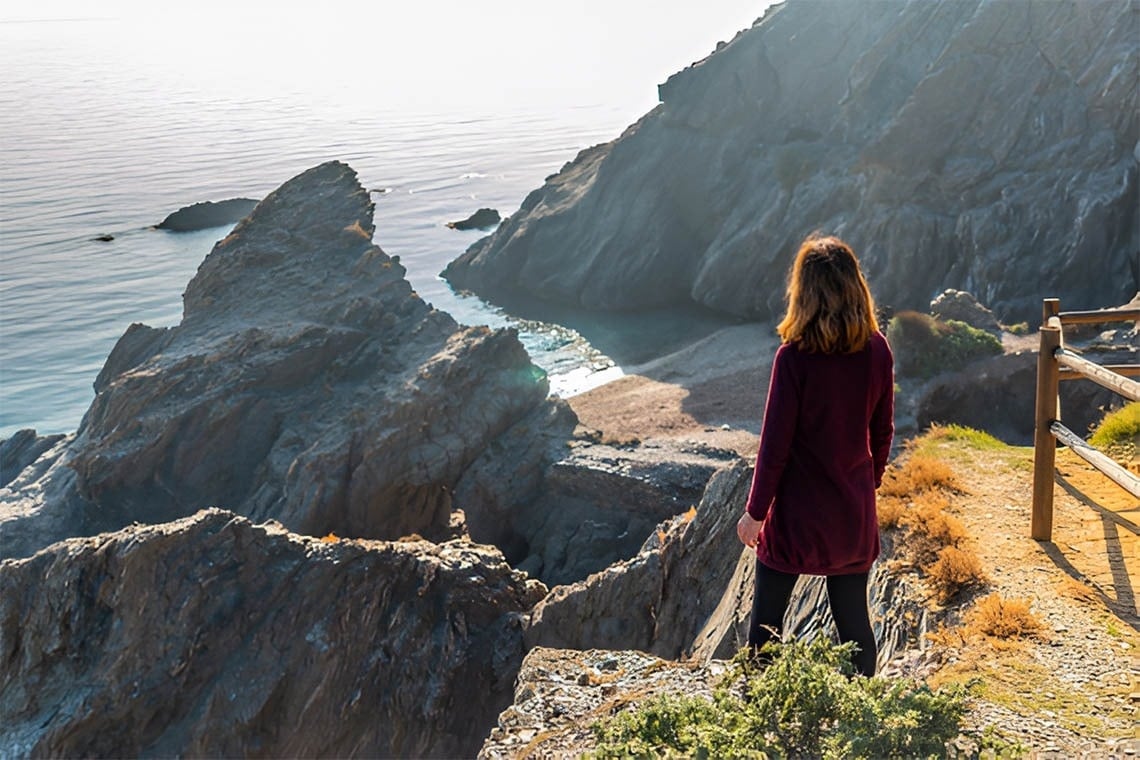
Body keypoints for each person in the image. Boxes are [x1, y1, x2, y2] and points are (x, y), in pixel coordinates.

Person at [735, 234, 894, 677]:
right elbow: (882, 431)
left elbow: (774, 446)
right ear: (855, 286)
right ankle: (861, 716)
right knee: (854, 625)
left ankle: (759, 713)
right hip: (851, 510)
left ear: (803, 292)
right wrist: (866, 483)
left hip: (797, 516)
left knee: (766, 625)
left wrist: (755, 512)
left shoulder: (794, 358)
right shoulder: (878, 348)